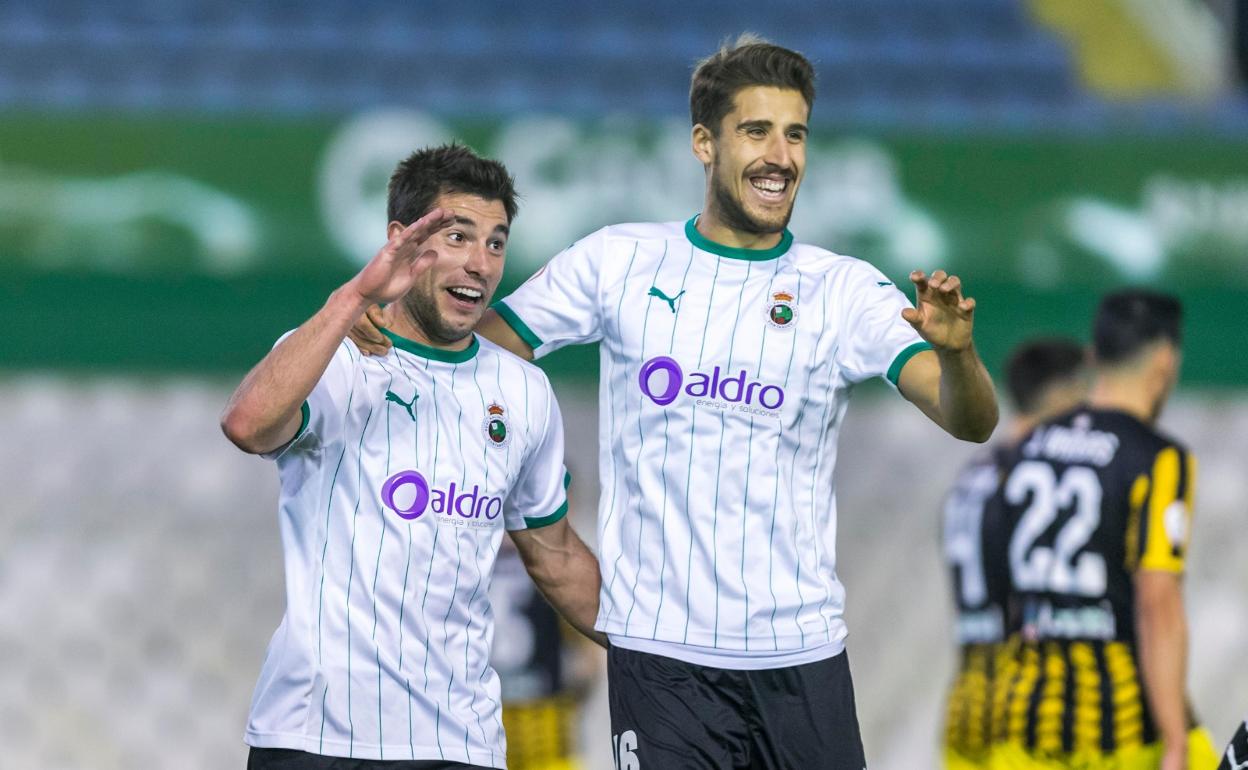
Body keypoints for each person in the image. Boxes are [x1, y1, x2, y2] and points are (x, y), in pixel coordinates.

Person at [353, 36, 998, 768]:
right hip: (663, 664)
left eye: (796, 134)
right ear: (704, 143)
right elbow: (482, 353)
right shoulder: (619, 261)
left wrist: (957, 352)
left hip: (804, 660)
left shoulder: (843, 289)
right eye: (756, 131)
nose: (780, 156)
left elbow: (968, 419)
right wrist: (391, 331)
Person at [220, 144, 603, 769]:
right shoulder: (335, 356)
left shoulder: (523, 390)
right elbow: (246, 423)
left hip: (462, 745)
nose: (480, 263)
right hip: (315, 738)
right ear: (401, 241)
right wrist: (350, 300)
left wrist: (660, 649)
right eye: (458, 236)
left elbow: (555, 554)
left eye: (496, 243)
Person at [990, 290, 1218, 770]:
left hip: (1024, 721)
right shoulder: (1158, 458)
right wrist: (1174, 740)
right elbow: (1158, 600)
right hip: (1116, 730)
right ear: (1164, 360)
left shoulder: (1029, 445)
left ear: (1094, 357)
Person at [940, 338, 1088, 770]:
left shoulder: (975, 474)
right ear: (1064, 394)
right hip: (1026, 706)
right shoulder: (1040, 478)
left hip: (968, 699)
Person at [489, 536, 601, 770]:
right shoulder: (471, 563)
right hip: (492, 732)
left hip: (545, 728)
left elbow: (588, 655)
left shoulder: (546, 563)